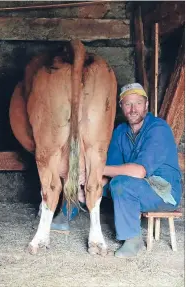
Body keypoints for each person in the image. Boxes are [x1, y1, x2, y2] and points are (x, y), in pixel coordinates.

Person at [48, 83, 182, 258]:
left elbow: (139, 172)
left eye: (138, 103)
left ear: (147, 105)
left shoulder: (158, 129)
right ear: (121, 106)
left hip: (162, 191)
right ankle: (65, 215)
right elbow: (110, 171)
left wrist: (93, 171)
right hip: (132, 183)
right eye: (128, 104)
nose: (133, 109)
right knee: (92, 179)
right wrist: (88, 185)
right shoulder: (120, 132)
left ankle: (133, 240)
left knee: (119, 183)